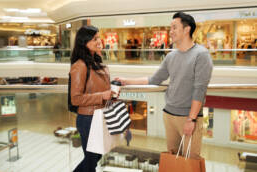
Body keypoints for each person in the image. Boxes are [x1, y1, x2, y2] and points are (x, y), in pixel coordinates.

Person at [115, 12, 213, 159]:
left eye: (174, 28)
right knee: (172, 159)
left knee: (190, 160)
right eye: (170, 28)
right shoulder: (171, 56)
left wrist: (191, 119)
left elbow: (200, 89)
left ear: (187, 30)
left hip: (188, 117)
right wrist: (126, 81)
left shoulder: (201, 55)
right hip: (169, 115)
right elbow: (154, 79)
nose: (170, 32)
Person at [70, 25, 114, 172]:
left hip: (100, 116)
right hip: (88, 119)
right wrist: (102, 95)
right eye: (95, 38)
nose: (99, 41)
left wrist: (111, 91)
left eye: (98, 37)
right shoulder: (79, 66)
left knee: (95, 157)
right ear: (85, 41)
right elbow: (75, 99)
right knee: (90, 162)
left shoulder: (95, 61)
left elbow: (98, 87)